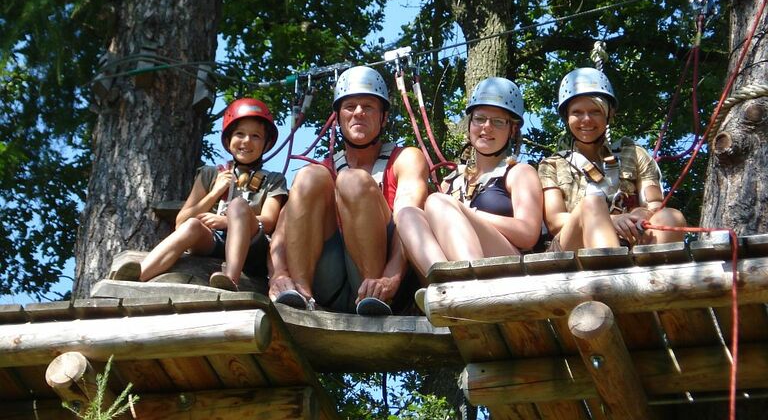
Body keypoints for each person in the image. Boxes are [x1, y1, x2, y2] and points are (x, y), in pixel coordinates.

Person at [268, 65, 429, 316]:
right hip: (329, 278)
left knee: (352, 181)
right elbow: (281, 233)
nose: (358, 113)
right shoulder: (324, 170)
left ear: (383, 117)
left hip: (382, 281)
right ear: (339, 116)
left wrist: (391, 278)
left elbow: (410, 220)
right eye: (350, 107)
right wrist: (278, 274)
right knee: (309, 176)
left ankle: (373, 298)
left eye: (368, 107)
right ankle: (300, 292)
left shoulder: (405, 159)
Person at [112, 98, 288, 291]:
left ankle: (230, 279)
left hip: (252, 246)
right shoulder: (210, 174)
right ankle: (137, 276)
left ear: (265, 143)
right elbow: (182, 221)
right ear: (229, 140)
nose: (246, 141)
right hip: (213, 240)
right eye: (240, 134)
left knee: (238, 205)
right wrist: (214, 193)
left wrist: (227, 221)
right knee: (192, 225)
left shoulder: (273, 180)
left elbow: (270, 221)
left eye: (255, 136)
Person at [398, 77, 543, 281]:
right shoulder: (452, 181)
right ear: (470, 124)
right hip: (459, 268)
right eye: (480, 119)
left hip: (510, 271)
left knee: (438, 202)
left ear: (512, 130)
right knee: (407, 215)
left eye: (498, 122)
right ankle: (446, 285)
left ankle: (472, 287)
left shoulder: (519, 173)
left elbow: (528, 234)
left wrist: (468, 213)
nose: (487, 127)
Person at [538, 67, 686, 251]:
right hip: (571, 245)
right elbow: (555, 221)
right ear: (567, 117)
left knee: (671, 217)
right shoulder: (552, 165)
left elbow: (655, 203)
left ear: (609, 114)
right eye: (577, 112)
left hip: (629, 238)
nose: (586, 119)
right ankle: (610, 273)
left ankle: (654, 276)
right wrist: (609, 220)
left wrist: (644, 212)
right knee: (591, 205)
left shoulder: (633, 153)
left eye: (595, 111)